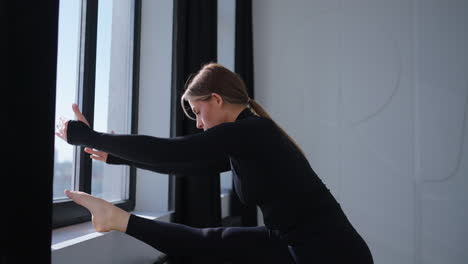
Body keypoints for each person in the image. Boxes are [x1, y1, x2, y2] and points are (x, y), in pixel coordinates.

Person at [55, 63, 374, 263]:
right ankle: (114, 218)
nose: (198, 123)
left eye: (197, 112)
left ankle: (116, 219)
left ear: (217, 100)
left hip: (332, 254)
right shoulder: (247, 137)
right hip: (291, 243)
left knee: (208, 244)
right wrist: (113, 155)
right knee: (208, 242)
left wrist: (86, 136)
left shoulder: (251, 132)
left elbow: (173, 152)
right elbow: (181, 165)